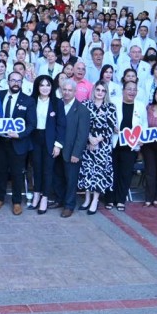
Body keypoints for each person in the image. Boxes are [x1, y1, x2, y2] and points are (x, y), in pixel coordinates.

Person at [0, 72, 35, 215]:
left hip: (18, 143)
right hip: (1, 142)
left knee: (17, 173)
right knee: (1, 171)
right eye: (13, 80)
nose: (16, 83)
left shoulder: (28, 100)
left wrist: (19, 134)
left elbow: (31, 124)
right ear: (8, 82)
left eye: (18, 81)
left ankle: (17, 202)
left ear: (22, 83)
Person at [107, 81, 147, 211]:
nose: (131, 92)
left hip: (131, 145)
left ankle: (120, 200)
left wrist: (142, 139)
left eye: (134, 89)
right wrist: (112, 127)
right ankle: (109, 199)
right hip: (114, 143)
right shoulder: (114, 101)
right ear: (123, 90)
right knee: (112, 172)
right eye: (129, 89)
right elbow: (106, 119)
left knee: (126, 173)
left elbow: (144, 125)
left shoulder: (140, 106)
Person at [53, 79, 90, 218]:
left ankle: (69, 205)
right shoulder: (57, 105)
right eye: (65, 89)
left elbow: (83, 134)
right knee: (58, 177)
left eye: (70, 90)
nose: (66, 92)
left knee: (71, 180)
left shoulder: (82, 110)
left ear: (75, 92)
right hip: (57, 150)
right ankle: (59, 200)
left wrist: (77, 153)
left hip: (72, 151)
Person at [78, 81, 117, 215]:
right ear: (93, 90)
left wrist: (97, 140)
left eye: (103, 90)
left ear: (105, 92)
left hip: (103, 146)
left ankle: (95, 200)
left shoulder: (110, 107)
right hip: (87, 144)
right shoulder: (85, 105)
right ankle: (87, 199)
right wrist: (90, 138)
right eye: (98, 90)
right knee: (88, 171)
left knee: (99, 173)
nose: (100, 92)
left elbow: (111, 127)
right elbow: (82, 124)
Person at [29, 75, 65, 214]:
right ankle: (36, 194)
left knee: (48, 169)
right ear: (37, 87)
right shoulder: (31, 101)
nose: (45, 88)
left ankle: (45, 197)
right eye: (42, 85)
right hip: (34, 139)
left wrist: (58, 145)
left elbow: (61, 125)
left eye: (48, 85)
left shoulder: (57, 103)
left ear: (52, 87)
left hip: (50, 140)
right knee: (36, 168)